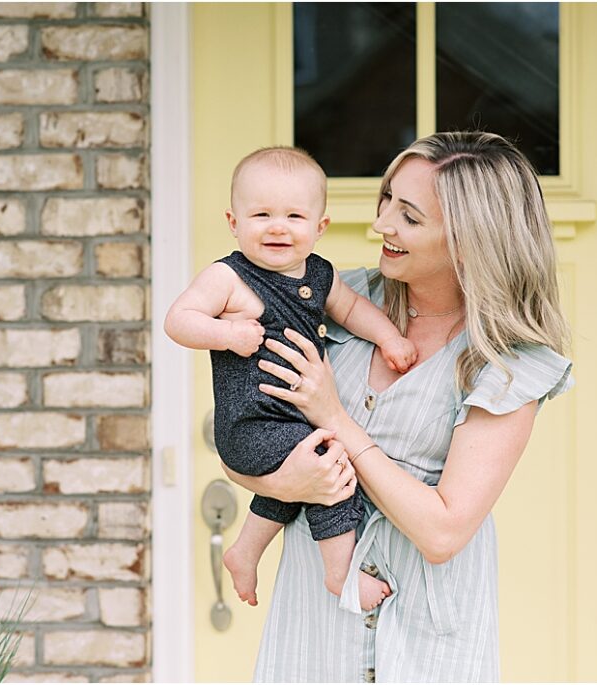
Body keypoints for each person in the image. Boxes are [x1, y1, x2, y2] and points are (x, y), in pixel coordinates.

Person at [221, 131, 574, 682]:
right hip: (315, 624)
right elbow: (243, 439)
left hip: (425, 641)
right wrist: (286, 481)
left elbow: (443, 532)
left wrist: (335, 420)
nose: (382, 223)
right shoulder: (325, 299)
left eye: (409, 216)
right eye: (387, 199)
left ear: (467, 240)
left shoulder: (506, 361)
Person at [163, 147, 417, 612]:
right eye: (261, 214)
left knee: (304, 470)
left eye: (294, 216)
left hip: (291, 422)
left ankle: (245, 552)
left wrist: (389, 339)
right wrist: (227, 332)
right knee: (326, 466)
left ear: (319, 226)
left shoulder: (319, 274)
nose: (277, 227)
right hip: (251, 424)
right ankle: (339, 573)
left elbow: (353, 309)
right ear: (233, 221)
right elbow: (178, 320)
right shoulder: (229, 277)